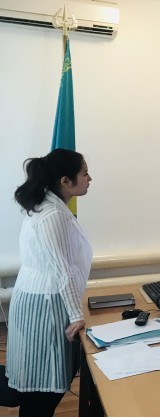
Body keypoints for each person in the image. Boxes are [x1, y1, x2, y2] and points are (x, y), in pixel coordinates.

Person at [6, 149, 93, 417]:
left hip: (39, 296)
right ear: (66, 181)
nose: (90, 178)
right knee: (43, 386)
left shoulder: (46, 204)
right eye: (85, 173)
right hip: (45, 303)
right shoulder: (52, 214)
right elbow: (62, 270)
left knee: (36, 379)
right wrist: (77, 316)